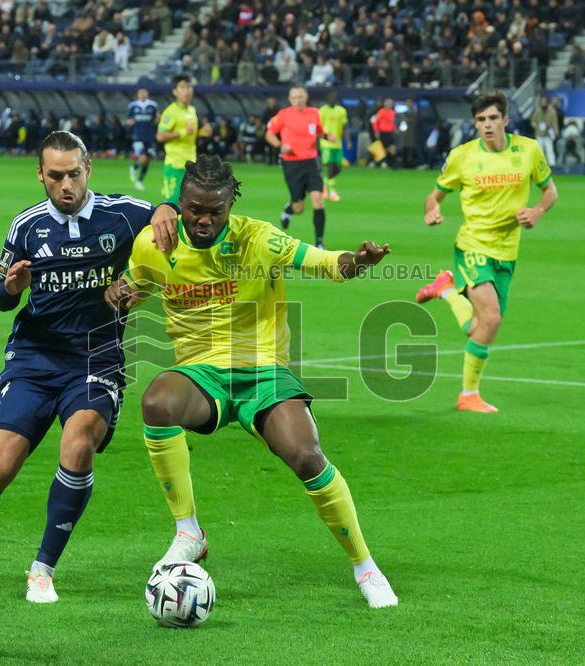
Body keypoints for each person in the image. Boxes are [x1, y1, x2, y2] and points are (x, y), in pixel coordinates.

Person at [0, 131, 180, 603]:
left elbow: (171, 222)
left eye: (74, 174)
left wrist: (167, 209)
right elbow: (0, 297)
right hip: (34, 359)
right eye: (56, 176)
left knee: (77, 444)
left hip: (96, 358)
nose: (67, 185)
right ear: (41, 175)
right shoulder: (26, 225)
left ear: (89, 170)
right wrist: (12, 287)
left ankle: (42, 569)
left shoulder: (123, 214)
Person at [104, 154, 399, 609]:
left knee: (306, 456)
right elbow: (137, 286)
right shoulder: (153, 244)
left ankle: (365, 567)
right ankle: (188, 532)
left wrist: (357, 261)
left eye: (215, 211)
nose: (203, 220)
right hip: (201, 372)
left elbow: (324, 262)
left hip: (263, 369)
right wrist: (120, 292)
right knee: (158, 401)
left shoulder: (258, 239)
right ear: (180, 202)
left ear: (230, 205)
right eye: (194, 210)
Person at [416, 91, 558, 413]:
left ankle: (446, 290)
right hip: (473, 245)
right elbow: (434, 196)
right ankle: (468, 395)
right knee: (491, 318)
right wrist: (432, 210)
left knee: (483, 327)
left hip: (507, 251)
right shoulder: (462, 156)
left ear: (505, 120)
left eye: (493, 118)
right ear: (476, 124)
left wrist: (536, 211)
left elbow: (551, 191)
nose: (487, 125)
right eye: (481, 120)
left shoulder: (528, 150)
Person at [265, 86, 339, 249]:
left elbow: (319, 131)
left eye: (300, 96)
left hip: (311, 162)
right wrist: (280, 145)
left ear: (306, 97)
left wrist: (328, 136)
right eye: (294, 97)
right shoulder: (283, 115)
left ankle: (319, 242)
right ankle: (289, 209)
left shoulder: (314, 113)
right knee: (299, 208)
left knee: (318, 200)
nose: (298, 100)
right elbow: (269, 134)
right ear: (290, 99)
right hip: (292, 164)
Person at [156, 74, 211, 204]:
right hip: (175, 166)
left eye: (189, 87)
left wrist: (202, 132)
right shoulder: (170, 112)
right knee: (173, 205)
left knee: (190, 205)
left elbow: (191, 134)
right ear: (175, 92)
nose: (186, 90)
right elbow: (160, 136)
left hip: (191, 166)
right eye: (182, 87)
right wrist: (183, 132)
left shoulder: (192, 110)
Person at [318, 90, 350, 202]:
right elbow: (319, 127)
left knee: (338, 167)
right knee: (330, 165)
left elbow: (345, 127)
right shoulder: (322, 111)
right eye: (330, 97)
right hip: (326, 143)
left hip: (337, 144)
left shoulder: (341, 111)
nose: (332, 99)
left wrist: (348, 141)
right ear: (327, 99)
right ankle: (331, 191)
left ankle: (323, 184)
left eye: (334, 97)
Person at [127, 87, 159, 191]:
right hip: (138, 136)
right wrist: (131, 122)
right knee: (143, 158)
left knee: (148, 160)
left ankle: (139, 181)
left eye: (144, 92)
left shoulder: (153, 105)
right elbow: (128, 120)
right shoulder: (133, 106)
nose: (143, 94)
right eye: (141, 92)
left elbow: (157, 118)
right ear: (138, 94)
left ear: (147, 93)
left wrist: (158, 120)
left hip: (149, 135)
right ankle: (134, 168)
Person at [530, 96, 558, 167]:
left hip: (548, 134)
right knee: (540, 151)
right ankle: (540, 166)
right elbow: (533, 122)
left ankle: (552, 166)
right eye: (542, 102)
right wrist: (538, 127)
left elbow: (555, 122)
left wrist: (556, 132)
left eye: (545, 102)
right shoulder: (537, 111)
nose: (543, 103)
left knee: (550, 151)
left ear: (547, 102)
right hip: (539, 134)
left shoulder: (552, 111)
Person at [371, 98, 397, 168]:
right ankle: (382, 161)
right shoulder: (381, 112)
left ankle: (392, 162)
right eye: (387, 103)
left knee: (393, 147)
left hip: (390, 133)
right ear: (384, 104)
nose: (389, 104)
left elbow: (393, 122)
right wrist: (376, 131)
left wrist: (395, 129)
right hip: (383, 132)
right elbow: (375, 122)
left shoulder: (393, 112)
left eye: (390, 103)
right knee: (383, 148)